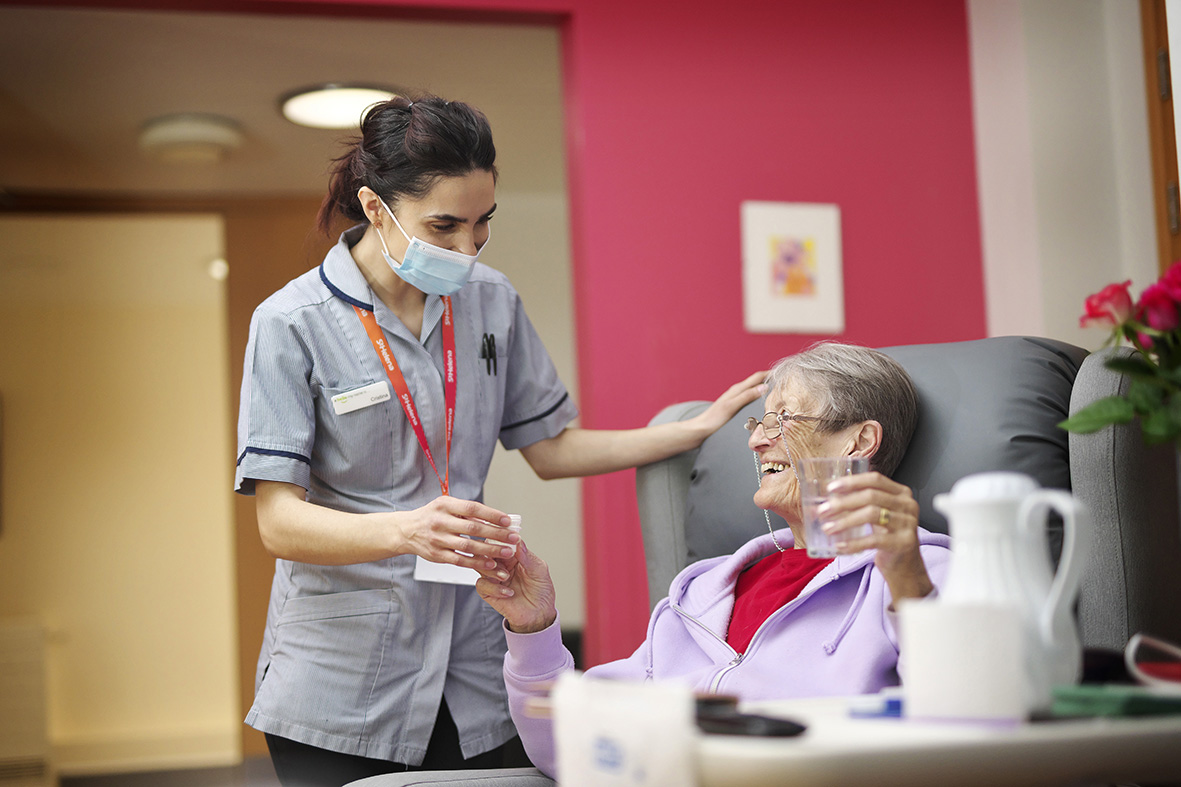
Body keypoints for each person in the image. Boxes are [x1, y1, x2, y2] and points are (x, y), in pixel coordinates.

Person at [233, 93, 764, 786]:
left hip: (475, 669)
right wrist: (407, 531)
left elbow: (551, 448)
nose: (467, 247)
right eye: (444, 225)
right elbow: (278, 520)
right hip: (343, 680)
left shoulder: (491, 299)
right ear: (374, 208)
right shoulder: (290, 323)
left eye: (482, 224)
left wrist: (682, 430)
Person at [476, 342, 953, 778]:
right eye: (759, 423)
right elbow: (566, 747)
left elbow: (956, 721)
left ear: (858, 442)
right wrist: (534, 627)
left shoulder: (923, 574)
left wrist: (906, 575)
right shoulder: (702, 593)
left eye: (783, 419)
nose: (756, 441)